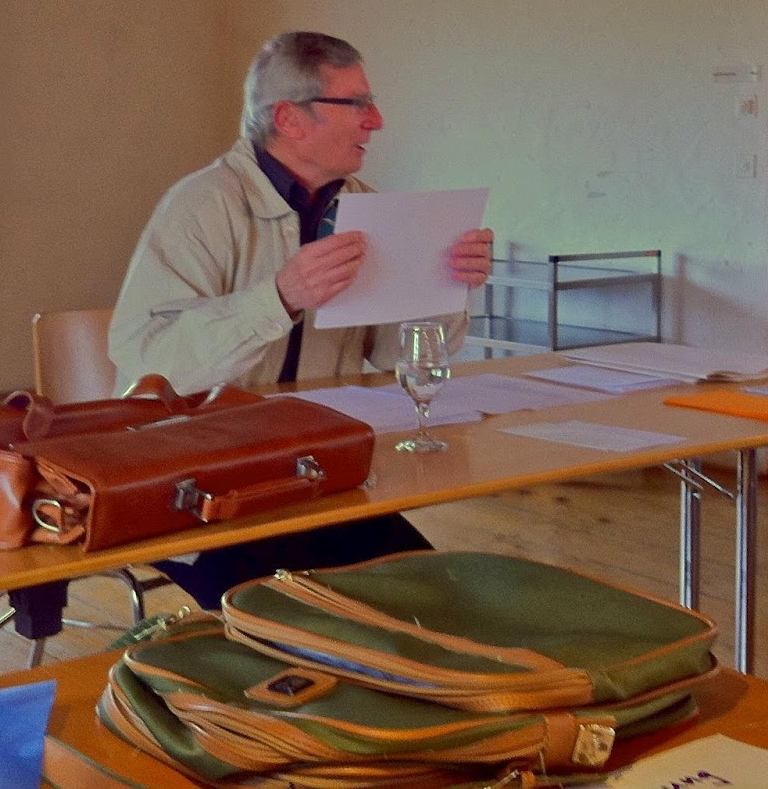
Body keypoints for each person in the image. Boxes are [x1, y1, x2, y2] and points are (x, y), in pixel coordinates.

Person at [108, 30, 494, 607]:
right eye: (358, 103)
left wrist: (447, 284)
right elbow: (150, 361)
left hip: (313, 478)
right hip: (194, 491)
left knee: (435, 598)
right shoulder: (199, 205)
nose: (377, 121)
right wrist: (280, 296)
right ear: (289, 118)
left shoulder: (363, 206)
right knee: (298, 620)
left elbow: (394, 357)